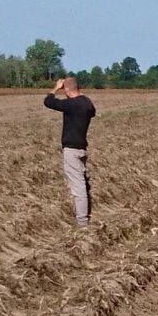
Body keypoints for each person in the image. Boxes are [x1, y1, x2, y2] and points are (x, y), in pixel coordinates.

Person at [44, 74, 97, 226]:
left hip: (72, 151)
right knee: (83, 183)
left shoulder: (72, 105)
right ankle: (86, 215)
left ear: (66, 89)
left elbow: (48, 102)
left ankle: (82, 223)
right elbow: (88, 108)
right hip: (82, 149)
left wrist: (55, 88)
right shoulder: (87, 103)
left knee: (78, 187)